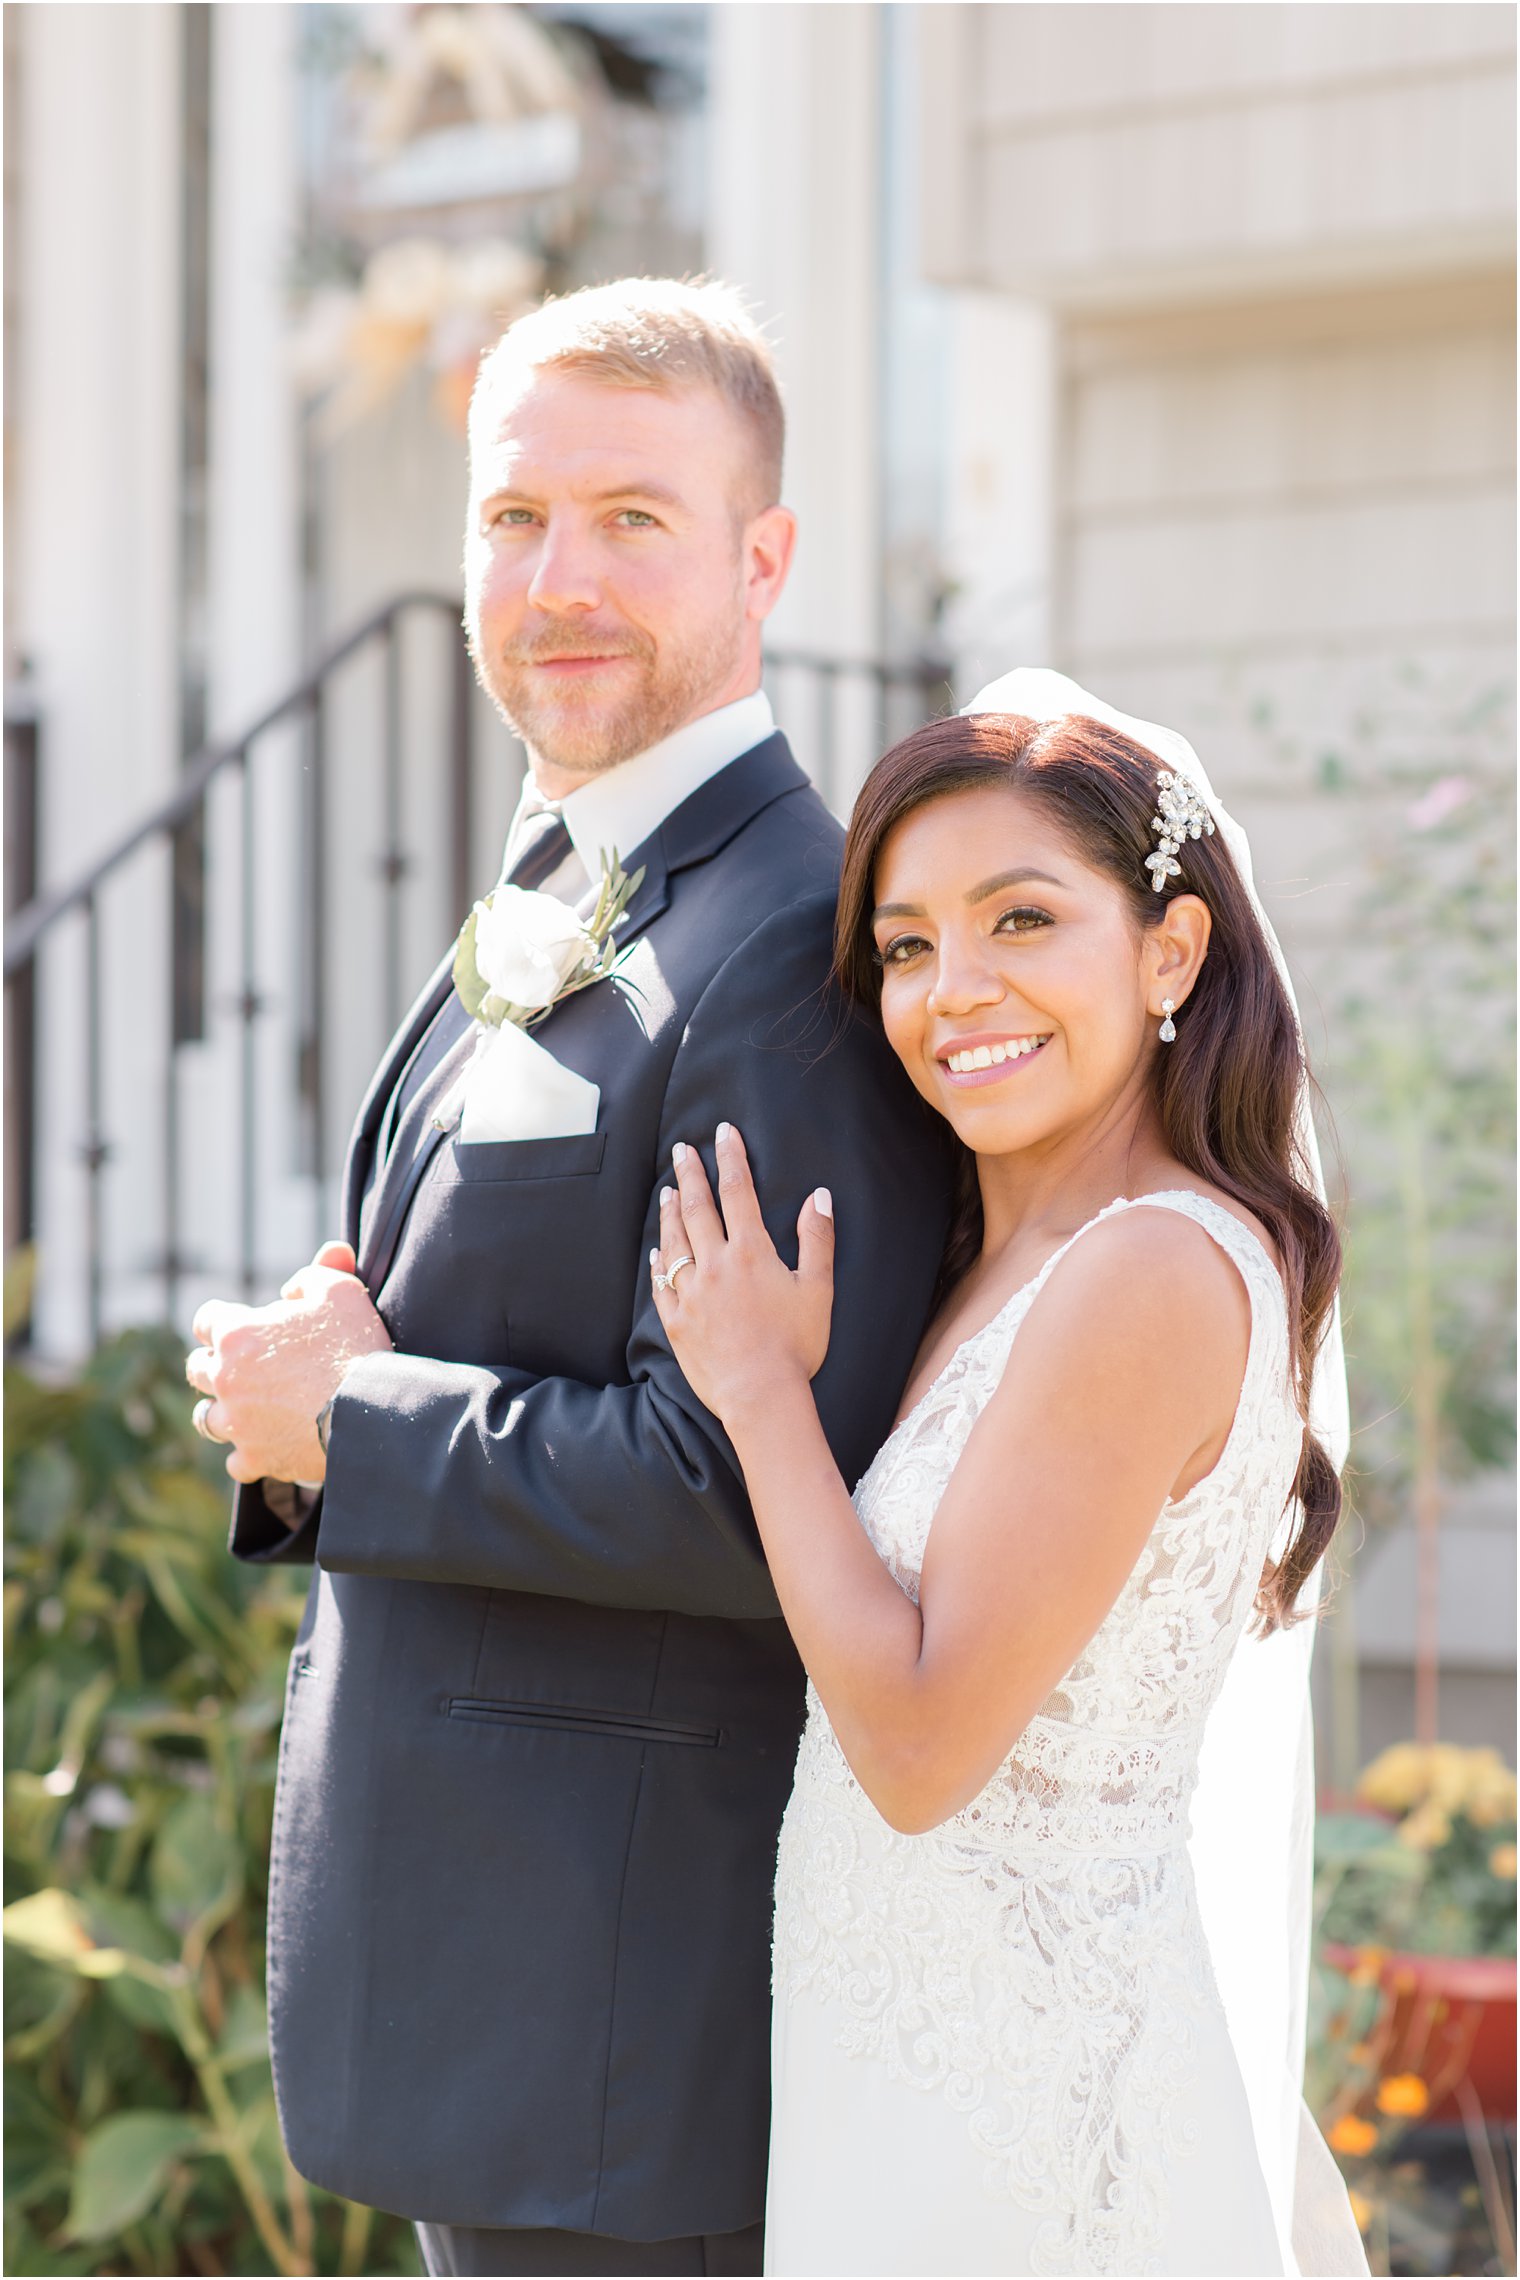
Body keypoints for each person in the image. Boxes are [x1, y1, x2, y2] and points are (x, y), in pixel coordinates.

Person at [184, 278, 955, 2278]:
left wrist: (346, 1424)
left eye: (633, 517)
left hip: (620, 2028)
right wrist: (317, 1374)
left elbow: (747, 1492)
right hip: (494, 1979)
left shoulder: (788, 947)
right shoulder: (563, 880)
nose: (559, 578)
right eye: (515, 519)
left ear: (762, 557)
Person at [651, 677, 1370, 2277]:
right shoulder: (1008, 1260)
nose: (951, 989)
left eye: (1021, 920)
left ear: (1170, 950)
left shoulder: (1148, 1272)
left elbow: (915, 1746)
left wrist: (762, 1395)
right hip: (911, 2065)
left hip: (1025, 2119)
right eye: (907, 946)